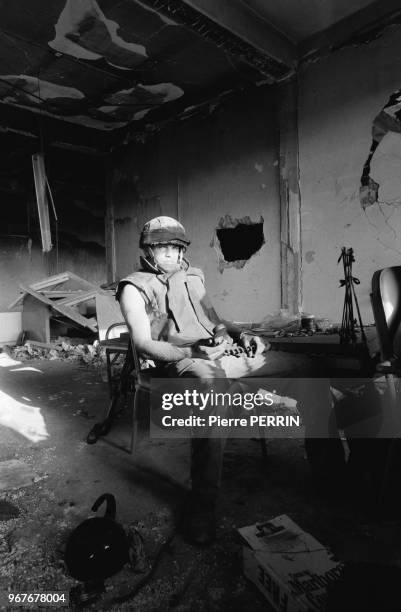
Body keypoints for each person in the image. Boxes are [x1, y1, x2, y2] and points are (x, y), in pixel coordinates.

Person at [116, 216, 335, 545]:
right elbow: (144, 344)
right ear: (148, 250)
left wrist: (241, 334)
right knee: (212, 393)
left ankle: (329, 472)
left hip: (220, 352)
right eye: (164, 248)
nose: (173, 255)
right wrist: (193, 349)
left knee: (308, 368)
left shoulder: (194, 276)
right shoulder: (133, 287)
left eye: (177, 248)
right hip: (180, 360)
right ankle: (202, 504)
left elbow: (215, 321)